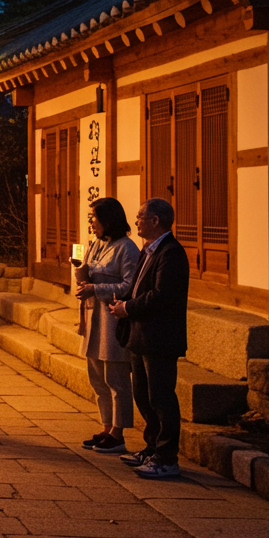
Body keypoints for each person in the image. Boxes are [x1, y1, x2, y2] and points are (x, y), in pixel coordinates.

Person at [110, 198, 188, 479]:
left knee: (161, 396)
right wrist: (124, 302)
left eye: (141, 216)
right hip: (140, 335)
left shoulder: (171, 253)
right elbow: (139, 287)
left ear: (156, 221)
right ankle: (152, 447)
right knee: (143, 395)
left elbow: (162, 295)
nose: (136, 221)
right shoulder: (149, 250)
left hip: (160, 337)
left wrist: (128, 307)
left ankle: (167, 457)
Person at [75, 197, 139, 455]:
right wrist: (81, 273)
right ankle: (105, 426)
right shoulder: (96, 244)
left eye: (94, 217)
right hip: (93, 318)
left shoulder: (127, 248)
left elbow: (129, 286)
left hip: (113, 320)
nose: (91, 222)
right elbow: (88, 275)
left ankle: (118, 433)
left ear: (107, 219)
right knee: (97, 378)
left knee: (116, 378)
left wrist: (95, 288)